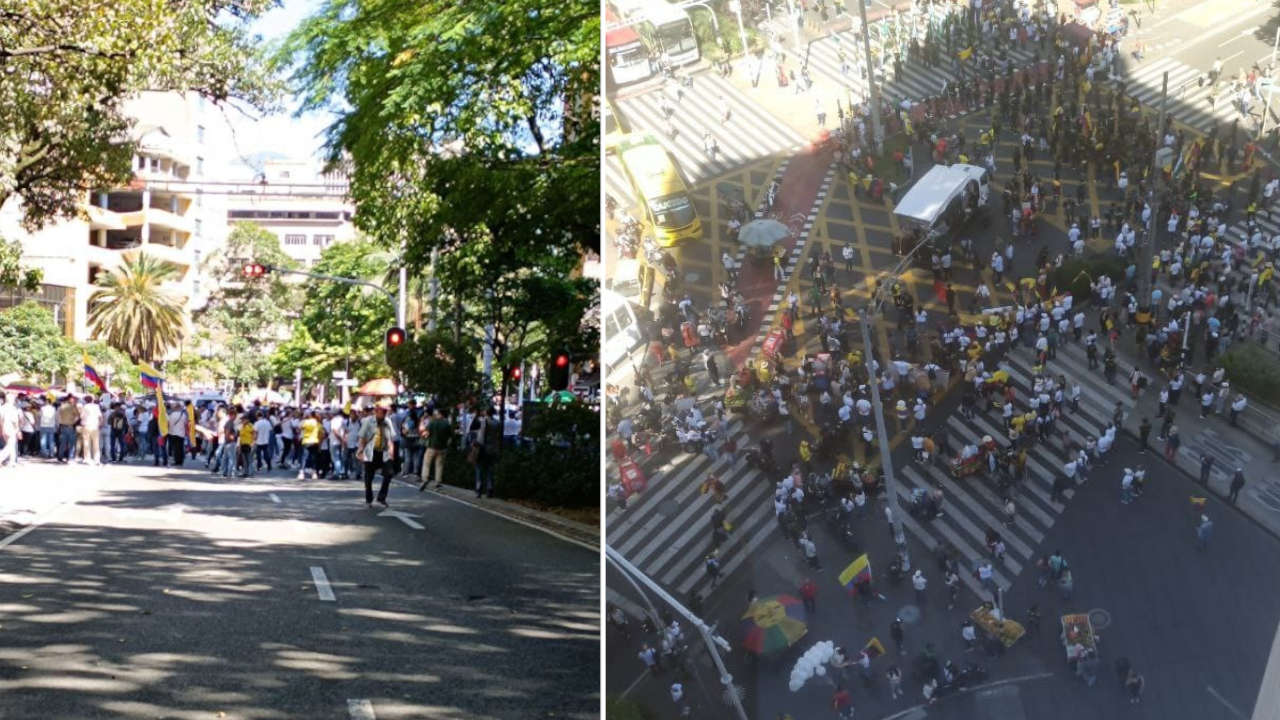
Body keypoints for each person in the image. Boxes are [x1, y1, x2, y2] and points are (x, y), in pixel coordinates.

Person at [358, 401, 397, 507]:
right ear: (376, 412)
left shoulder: (387, 422)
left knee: (389, 473)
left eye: (385, 412)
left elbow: (390, 439)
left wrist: (391, 453)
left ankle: (381, 497)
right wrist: (361, 451)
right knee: (369, 477)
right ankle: (369, 499)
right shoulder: (368, 421)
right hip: (371, 452)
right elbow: (362, 437)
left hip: (383, 452)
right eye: (382, 411)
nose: (384, 414)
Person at [469, 406, 500, 498]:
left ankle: (479, 489)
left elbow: (481, 437)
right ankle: (490, 488)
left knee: (479, 469)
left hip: (483, 449)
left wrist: (475, 443)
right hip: (493, 449)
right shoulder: (497, 422)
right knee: (490, 469)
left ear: (487, 412)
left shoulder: (484, 422)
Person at [419, 406, 452, 491]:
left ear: (440, 414)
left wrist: (424, 436)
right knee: (439, 465)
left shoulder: (433, 422)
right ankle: (438, 482)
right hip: (442, 447)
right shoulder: (447, 424)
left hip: (432, 446)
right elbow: (450, 437)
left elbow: (426, 433)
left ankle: (425, 479)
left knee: (426, 464)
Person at [298, 410, 323, 480]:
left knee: (304, 457)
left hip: (306, 441)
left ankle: (301, 473)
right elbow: (321, 433)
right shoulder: (318, 423)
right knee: (313, 458)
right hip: (315, 441)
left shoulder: (306, 422)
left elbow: (300, 428)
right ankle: (314, 473)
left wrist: (304, 419)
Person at [79, 394, 103, 465]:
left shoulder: (85, 407)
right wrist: (100, 424)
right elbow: (100, 417)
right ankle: (97, 459)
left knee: (86, 443)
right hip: (95, 426)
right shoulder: (96, 406)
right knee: (96, 443)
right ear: (92, 400)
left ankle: (87, 459)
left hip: (86, 425)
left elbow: (82, 416)